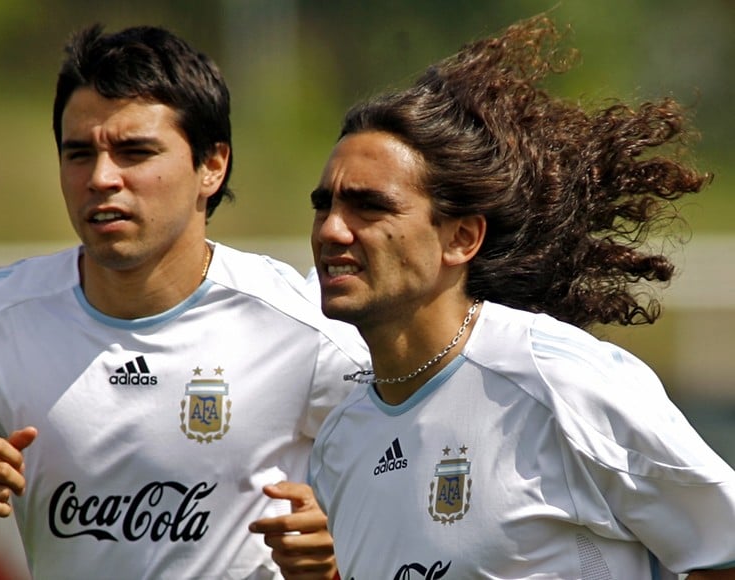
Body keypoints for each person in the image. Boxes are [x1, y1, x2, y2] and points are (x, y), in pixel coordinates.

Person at [0, 24, 368, 579]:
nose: (102, 178)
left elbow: (420, 506)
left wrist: (337, 551)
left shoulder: (307, 328)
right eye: (79, 154)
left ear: (212, 165)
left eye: (134, 151)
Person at [307, 15, 735, 580]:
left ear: (460, 238)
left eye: (369, 206)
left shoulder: (558, 382)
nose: (332, 230)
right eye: (324, 204)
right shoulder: (340, 442)